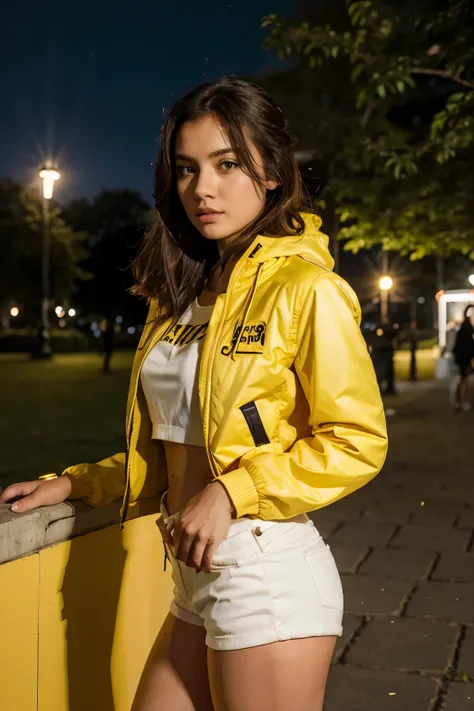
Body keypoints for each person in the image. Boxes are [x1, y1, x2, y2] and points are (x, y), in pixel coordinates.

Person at [0, 76, 388, 711]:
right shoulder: (176, 300)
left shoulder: (304, 289)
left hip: (263, 573)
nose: (201, 188)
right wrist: (76, 483)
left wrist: (234, 492)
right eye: (186, 169)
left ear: (271, 171)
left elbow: (357, 442)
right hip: (191, 577)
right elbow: (176, 450)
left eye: (226, 163)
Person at [452, 305, 474, 411]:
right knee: (464, 380)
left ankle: (459, 402)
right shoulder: (468, 328)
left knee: (462, 379)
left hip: (460, 357)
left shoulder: (464, 326)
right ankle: (462, 402)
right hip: (464, 358)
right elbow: (469, 345)